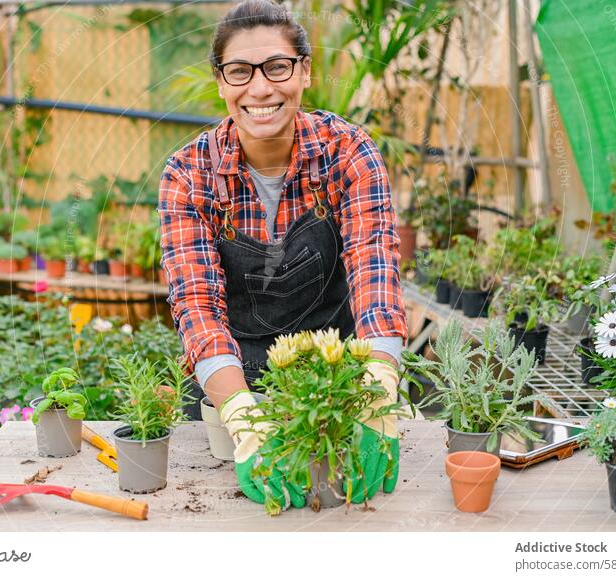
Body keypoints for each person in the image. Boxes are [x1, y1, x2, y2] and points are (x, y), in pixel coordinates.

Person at [158, 0, 410, 510]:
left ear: (305, 71)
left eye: (277, 67)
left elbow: (374, 266)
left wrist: (378, 388)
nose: (260, 88)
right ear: (221, 81)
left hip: (340, 380)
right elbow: (199, 310)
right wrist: (244, 420)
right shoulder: (189, 175)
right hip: (236, 385)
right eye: (239, 71)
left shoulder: (347, 153)